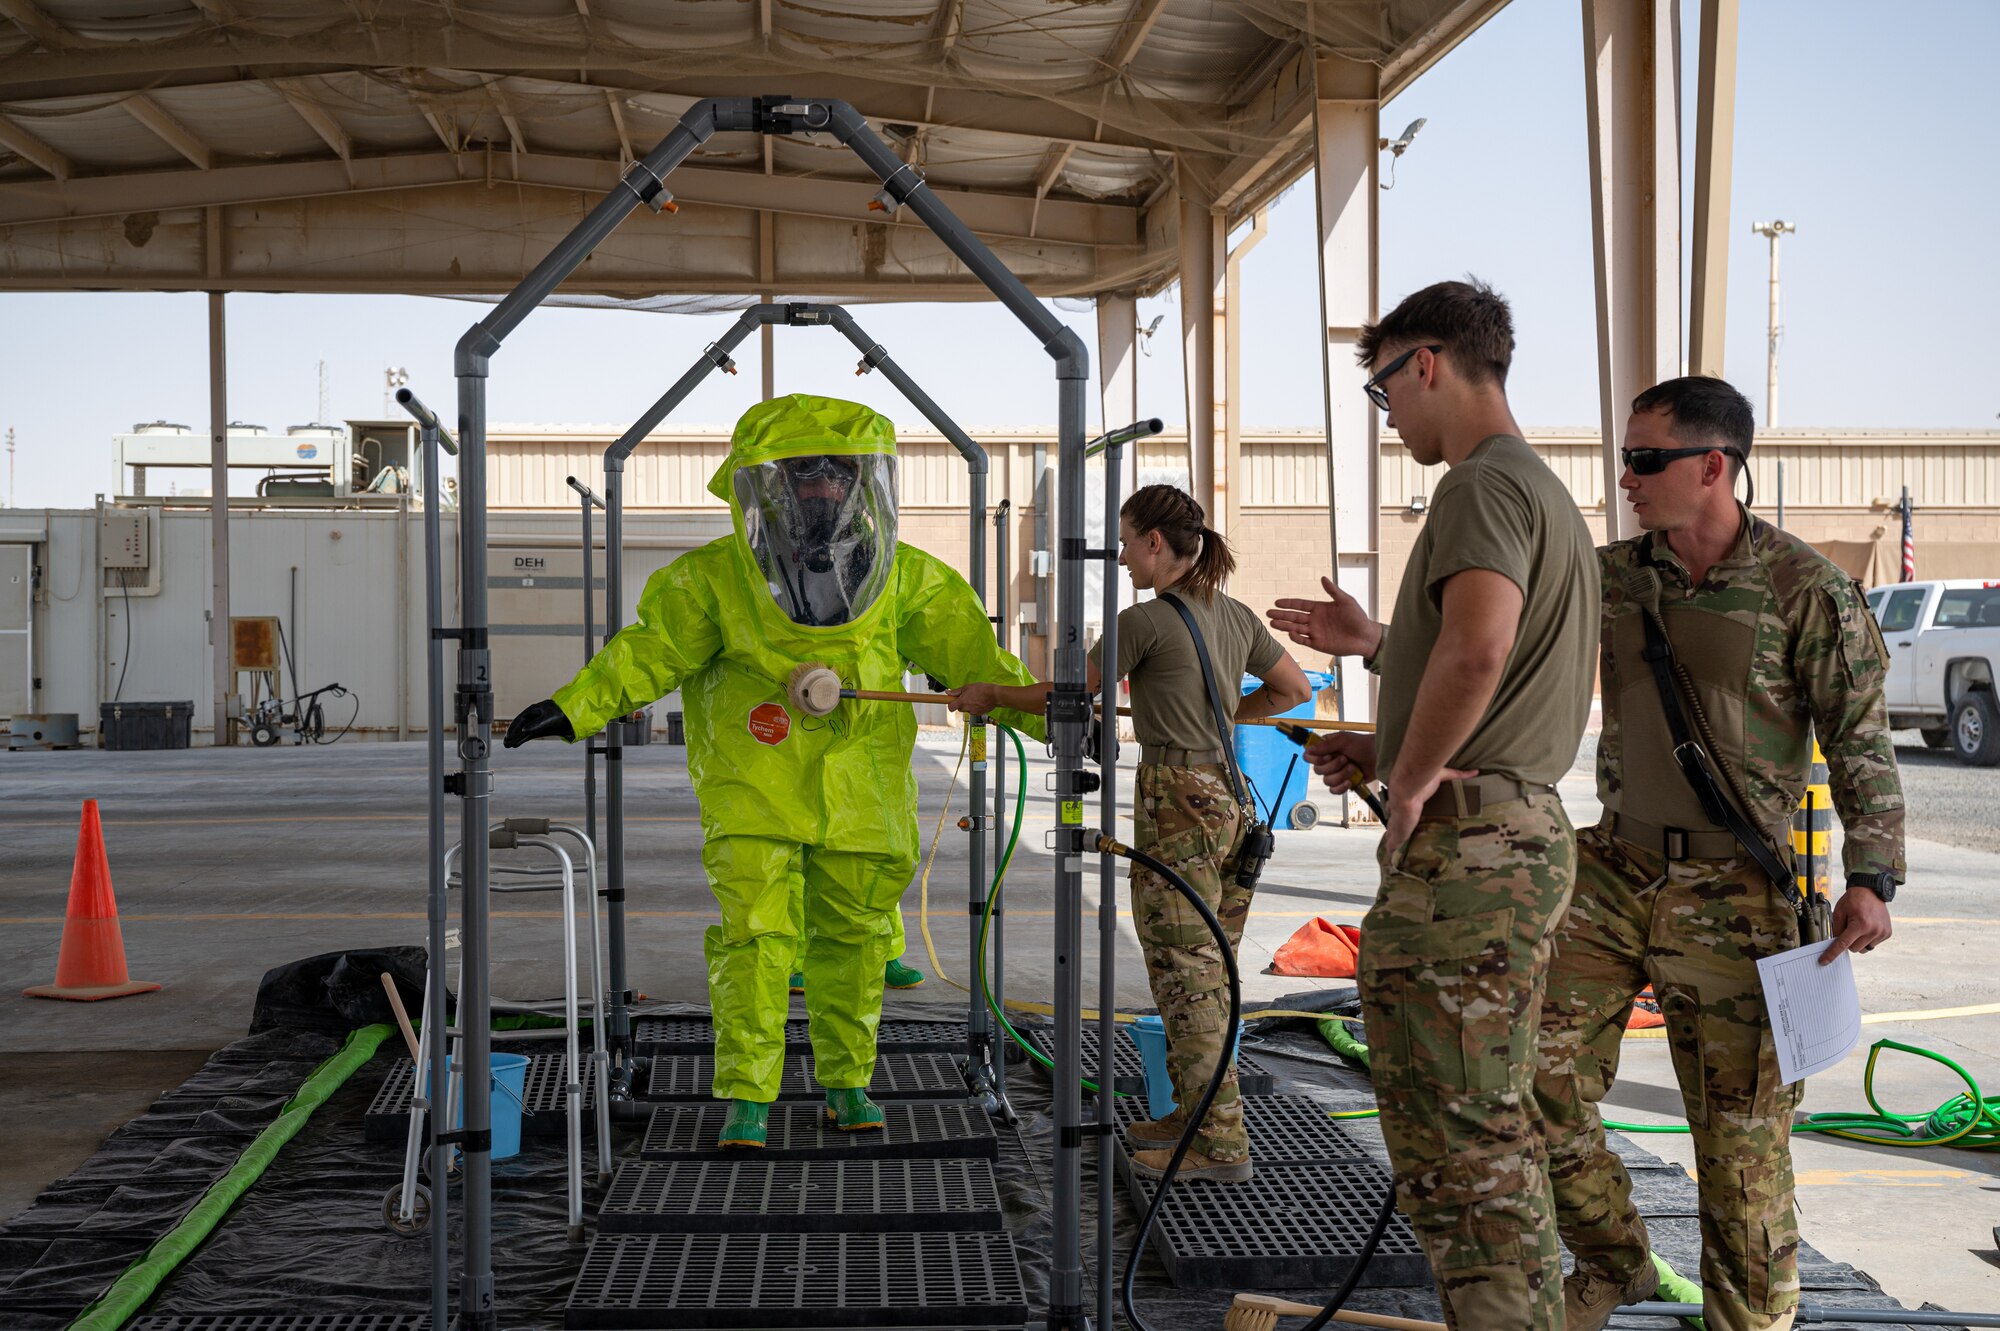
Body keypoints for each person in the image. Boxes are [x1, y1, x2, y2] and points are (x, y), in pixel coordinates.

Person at [505, 393, 1043, 1149]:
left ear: (866, 483)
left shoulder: (907, 580)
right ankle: (747, 1097)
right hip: (754, 786)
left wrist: (1054, 713)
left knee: (853, 943)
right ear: (767, 484)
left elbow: (978, 664)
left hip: (862, 794)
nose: (822, 489)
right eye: (804, 474)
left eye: (838, 474)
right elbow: (651, 651)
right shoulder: (714, 580)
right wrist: (574, 707)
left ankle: (847, 1082)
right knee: (755, 941)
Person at [1530, 376, 1902, 1331]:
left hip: (1741, 891)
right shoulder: (1611, 575)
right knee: (1529, 1076)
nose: (1626, 477)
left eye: (1646, 459)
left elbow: (1860, 734)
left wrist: (1871, 878)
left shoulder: (1803, 587)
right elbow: (1504, 646)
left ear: (1713, 466)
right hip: (1613, 869)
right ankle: (1616, 1260)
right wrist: (1379, 647)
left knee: (1739, 1148)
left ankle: (1752, 1323)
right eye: (1624, 456)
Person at [1268, 279, 1598, 1329]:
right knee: (1480, 1120)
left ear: (1426, 363)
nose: (1389, 417)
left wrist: (1406, 781)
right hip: (1513, 831)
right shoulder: (1538, 491)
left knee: (1456, 1135)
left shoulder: (1477, 486)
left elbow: (1479, 645)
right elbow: (1496, 665)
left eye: (1382, 393)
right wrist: (1385, 706)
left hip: (1472, 853)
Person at [951, 484, 1311, 1182]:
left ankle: (1222, 1145)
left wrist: (990, 693)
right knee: (1209, 969)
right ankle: (1194, 1114)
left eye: (1125, 540)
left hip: (1175, 799)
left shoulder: (1141, 620)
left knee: (1187, 974)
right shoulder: (1233, 614)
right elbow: (1295, 688)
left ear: (1154, 542)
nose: (1119, 556)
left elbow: (1068, 695)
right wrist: (1229, 716)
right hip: (1227, 795)